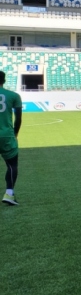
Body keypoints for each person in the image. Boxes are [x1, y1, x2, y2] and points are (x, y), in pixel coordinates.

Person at [0, 72, 22, 206]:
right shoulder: (13, 95)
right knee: (12, 165)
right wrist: (15, 133)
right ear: (4, 80)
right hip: (6, 135)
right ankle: (9, 193)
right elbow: (19, 119)